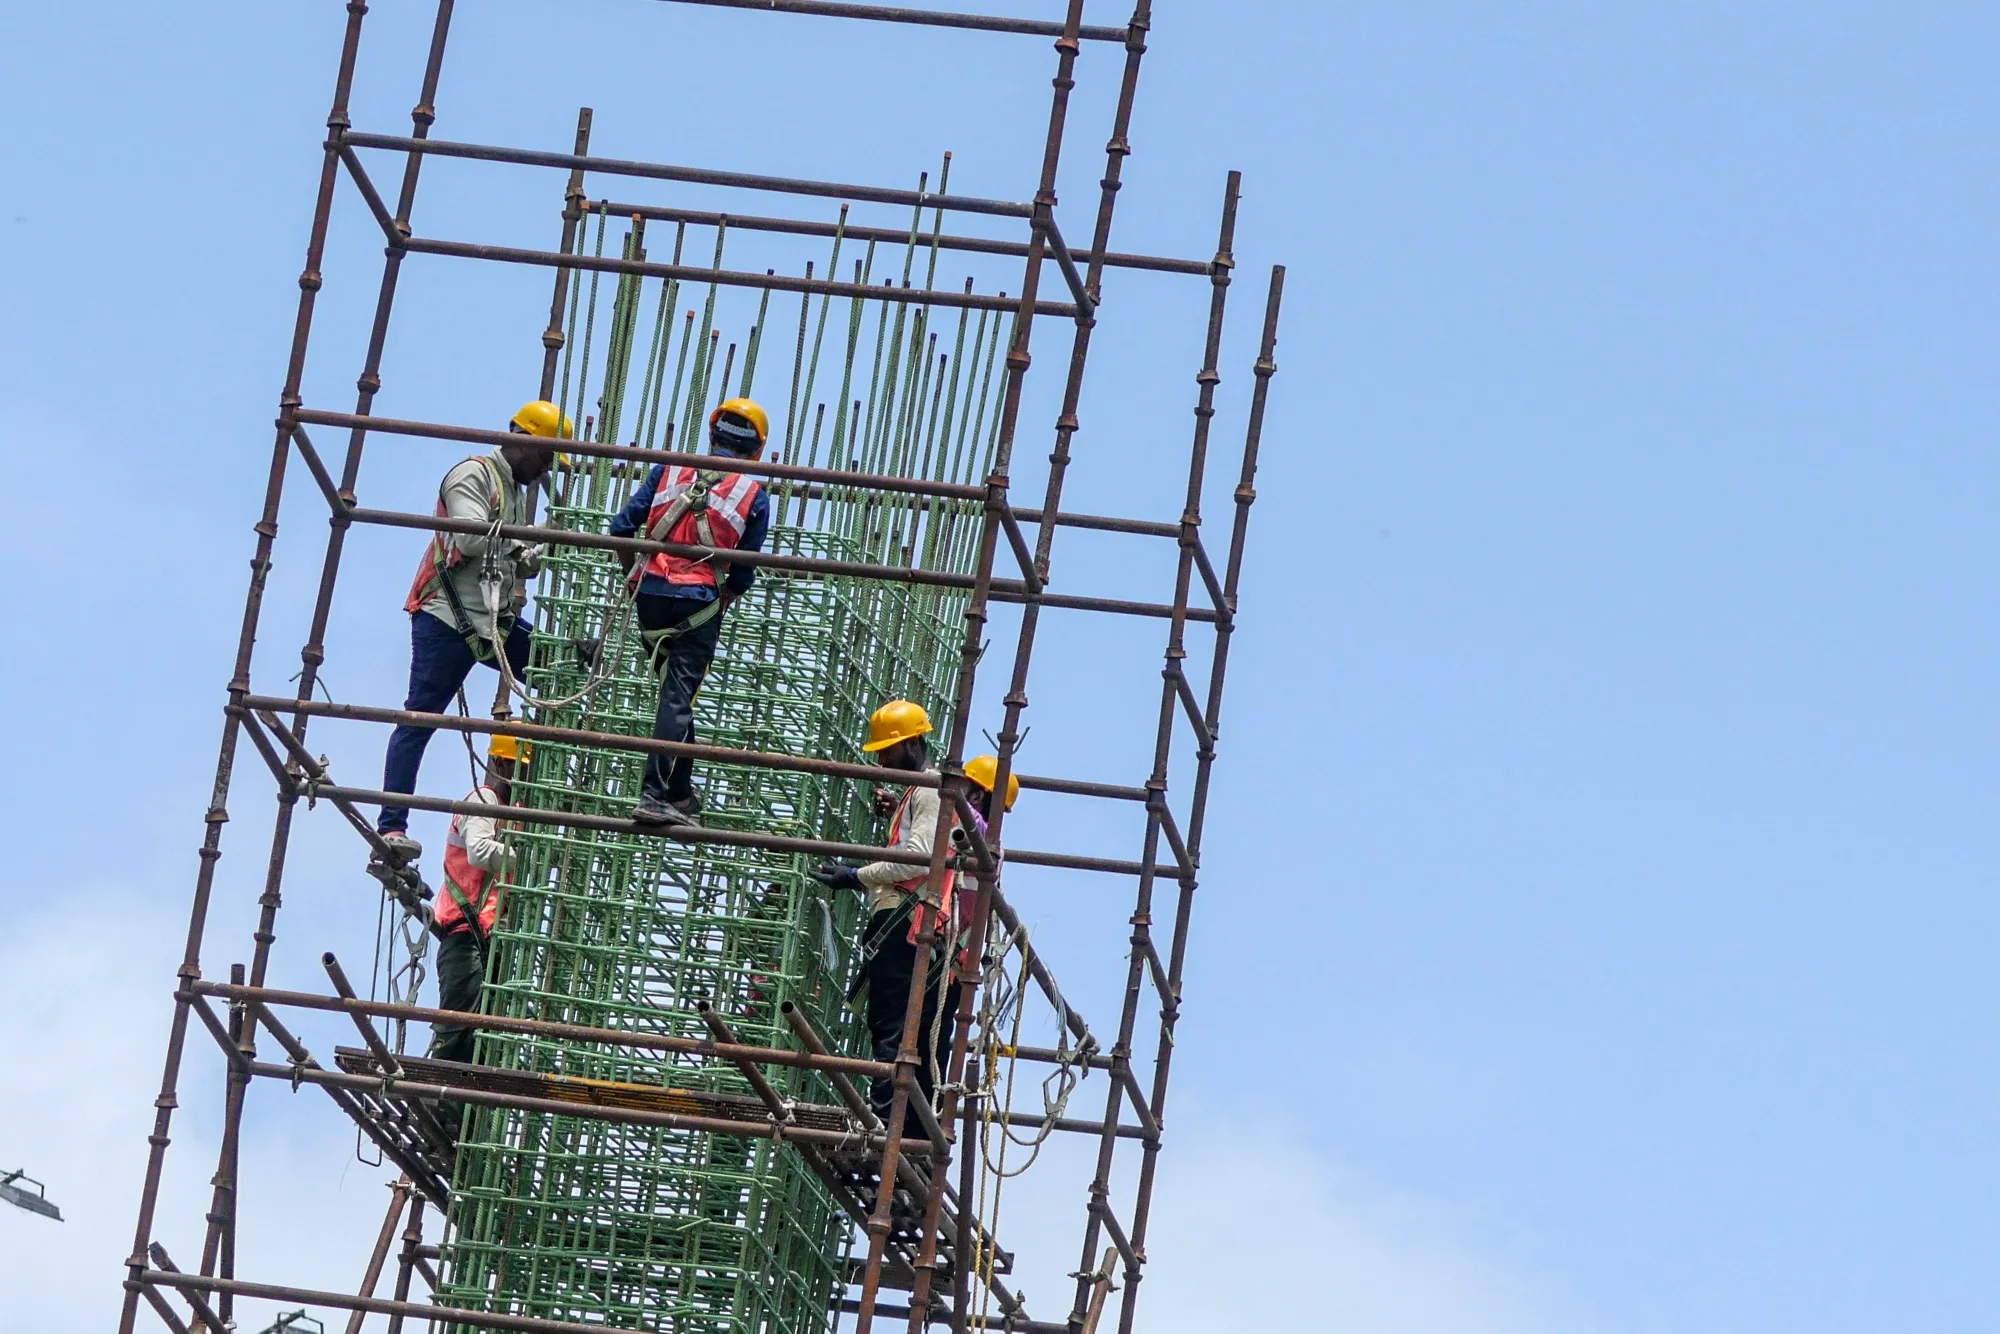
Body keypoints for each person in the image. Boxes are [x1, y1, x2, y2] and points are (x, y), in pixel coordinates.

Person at [376, 400, 567, 863]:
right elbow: (469, 538)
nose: (544, 470)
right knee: (421, 717)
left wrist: (551, 536)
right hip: (446, 617)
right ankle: (392, 827)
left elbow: (520, 561)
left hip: (490, 621)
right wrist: (524, 539)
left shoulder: (515, 490)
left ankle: (562, 799)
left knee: (558, 667)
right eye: (544, 458)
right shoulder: (474, 476)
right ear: (523, 441)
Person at [608, 397, 772, 827]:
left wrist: (636, 580)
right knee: (678, 696)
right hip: (699, 604)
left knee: (674, 695)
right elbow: (742, 575)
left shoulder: (669, 470)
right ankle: (654, 794)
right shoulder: (752, 493)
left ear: (712, 434)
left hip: (651, 596)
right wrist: (720, 602)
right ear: (756, 450)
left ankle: (678, 793)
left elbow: (621, 528)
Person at [808, 699, 959, 1126]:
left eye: (888, 750)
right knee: (911, 1034)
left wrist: (856, 875)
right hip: (911, 926)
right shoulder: (921, 793)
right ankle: (907, 1131)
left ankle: (889, 1129)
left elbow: (919, 858)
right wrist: (898, 809)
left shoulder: (930, 788)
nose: (880, 758)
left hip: (903, 925)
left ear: (913, 743)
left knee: (892, 1029)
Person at [430, 734, 527, 1065]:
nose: (524, 777)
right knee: (460, 1024)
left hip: (490, 937)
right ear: (500, 764)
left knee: (485, 1034)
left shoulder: (514, 814)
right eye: (519, 767)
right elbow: (479, 850)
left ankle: (460, 1109)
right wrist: (527, 857)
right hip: (464, 934)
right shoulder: (485, 800)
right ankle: (440, 1099)